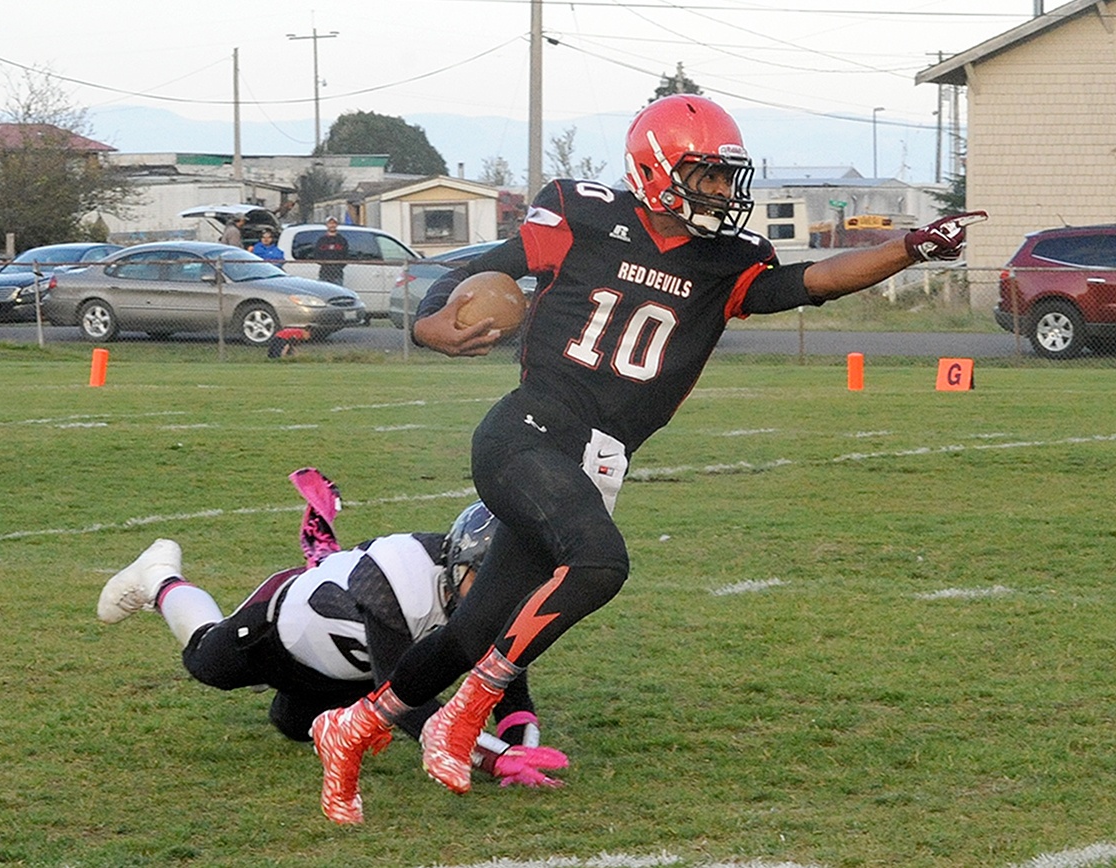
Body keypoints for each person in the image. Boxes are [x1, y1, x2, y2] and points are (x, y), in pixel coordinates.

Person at [311, 94, 987, 822]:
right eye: (707, 175)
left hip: (596, 462)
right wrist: (427, 324)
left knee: (472, 630)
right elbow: (485, 266)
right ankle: (465, 712)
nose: (723, 191)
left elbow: (815, 281)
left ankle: (353, 726)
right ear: (657, 170)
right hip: (527, 433)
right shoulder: (581, 214)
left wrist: (909, 248)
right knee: (600, 563)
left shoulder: (728, 260)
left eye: (728, 177)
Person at [96, 468, 567, 821]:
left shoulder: (481, 593)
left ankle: (318, 562)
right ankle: (160, 576)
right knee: (206, 661)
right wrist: (495, 759)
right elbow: (405, 700)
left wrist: (518, 743)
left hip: (347, 671)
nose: (498, 593)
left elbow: (508, 685)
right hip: (277, 630)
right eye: (487, 577)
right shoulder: (401, 578)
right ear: (460, 559)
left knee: (294, 725)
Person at [313, 216, 349, 285]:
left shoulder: (342, 240)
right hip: (324, 273)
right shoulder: (321, 240)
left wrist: (339, 265)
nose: (332, 225)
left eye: (334, 223)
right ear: (326, 225)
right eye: (330, 223)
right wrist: (325, 263)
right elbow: (316, 255)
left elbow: (346, 255)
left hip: (338, 274)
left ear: (337, 225)